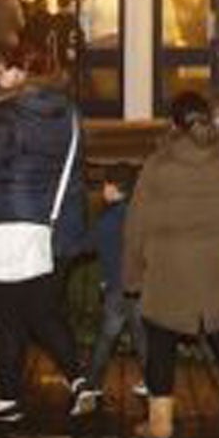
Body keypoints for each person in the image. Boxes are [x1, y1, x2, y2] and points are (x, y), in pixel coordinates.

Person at [122, 92, 219, 438]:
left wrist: (132, 277)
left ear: (173, 124)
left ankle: (160, 424)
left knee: (160, 345)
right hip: (216, 272)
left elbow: (136, 226)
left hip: (167, 275)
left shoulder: (157, 166)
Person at [0, 42, 88, 424]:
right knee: (40, 310)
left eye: (7, 70)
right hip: (50, 223)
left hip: (7, 221)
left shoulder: (7, 116)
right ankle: (81, 380)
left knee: (7, 314)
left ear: (22, 74)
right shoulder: (68, 113)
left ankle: (9, 397)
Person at [79, 163, 145, 397]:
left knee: (107, 335)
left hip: (117, 286)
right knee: (141, 336)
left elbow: (86, 245)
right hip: (140, 284)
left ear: (114, 188)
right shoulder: (139, 214)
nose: (102, 189)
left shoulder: (108, 220)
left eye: (104, 184)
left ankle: (92, 383)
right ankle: (153, 383)